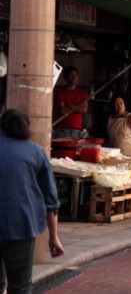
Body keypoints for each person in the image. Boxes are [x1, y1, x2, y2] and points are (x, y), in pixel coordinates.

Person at [0, 109, 64, 294]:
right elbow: (51, 200)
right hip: (22, 225)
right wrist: (53, 237)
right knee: (20, 286)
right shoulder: (35, 151)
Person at [53, 66, 88, 138]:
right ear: (65, 77)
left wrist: (68, 105)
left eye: (75, 75)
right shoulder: (60, 92)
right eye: (71, 75)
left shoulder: (82, 93)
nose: (73, 77)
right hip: (62, 129)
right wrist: (78, 108)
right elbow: (62, 111)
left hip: (77, 130)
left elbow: (84, 110)